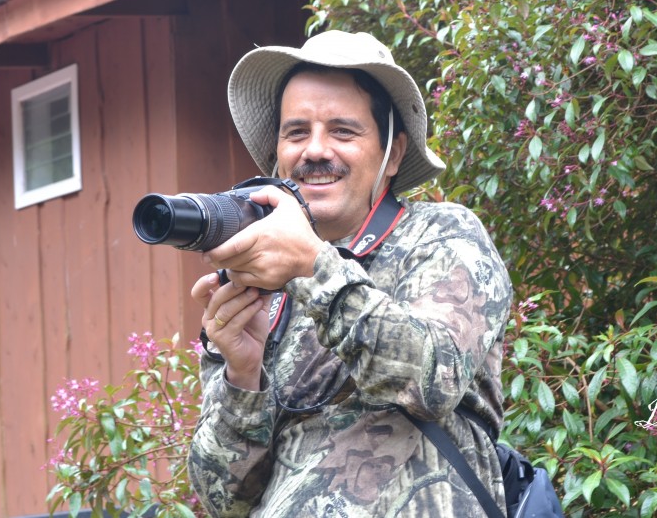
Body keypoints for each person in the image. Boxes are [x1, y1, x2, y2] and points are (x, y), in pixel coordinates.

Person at [187, 30, 514, 517]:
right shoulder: (257, 283)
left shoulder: (442, 235)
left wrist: (314, 267)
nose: (315, 151)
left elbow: (434, 377)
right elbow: (221, 500)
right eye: (296, 132)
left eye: (343, 131)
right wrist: (242, 373)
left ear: (393, 153)